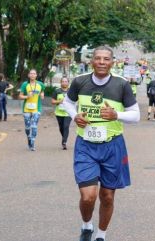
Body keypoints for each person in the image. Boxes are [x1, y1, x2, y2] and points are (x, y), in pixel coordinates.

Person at [62, 46, 140, 241]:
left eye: (106, 59)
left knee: (107, 196)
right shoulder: (80, 81)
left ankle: (101, 235)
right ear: (92, 61)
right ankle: (87, 225)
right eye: (98, 58)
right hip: (86, 145)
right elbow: (68, 102)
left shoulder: (121, 85)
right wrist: (75, 116)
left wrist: (117, 115)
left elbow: (136, 115)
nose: (102, 62)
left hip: (112, 145)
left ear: (112, 62)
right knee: (88, 196)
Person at [18, 69, 45, 151]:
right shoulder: (25, 84)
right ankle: (29, 137)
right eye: (31, 73)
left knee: (34, 126)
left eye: (34, 73)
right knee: (27, 127)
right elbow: (20, 96)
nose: (32, 75)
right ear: (29, 75)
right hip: (26, 108)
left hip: (37, 108)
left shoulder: (40, 84)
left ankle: (32, 143)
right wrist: (27, 96)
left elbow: (42, 92)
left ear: (36, 75)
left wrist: (42, 95)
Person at [51, 77, 72, 150]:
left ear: (68, 83)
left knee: (66, 126)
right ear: (61, 82)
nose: (64, 83)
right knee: (61, 127)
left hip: (68, 112)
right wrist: (59, 102)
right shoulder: (57, 91)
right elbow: (52, 101)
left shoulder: (71, 91)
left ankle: (64, 142)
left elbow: (76, 100)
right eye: (63, 81)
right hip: (59, 113)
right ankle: (64, 137)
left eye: (66, 81)